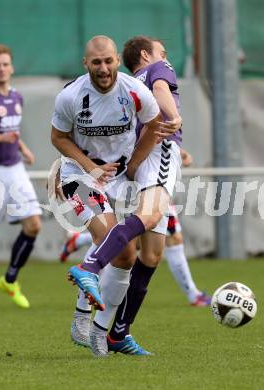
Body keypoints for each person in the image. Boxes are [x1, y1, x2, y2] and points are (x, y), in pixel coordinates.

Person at [51, 35, 177, 356]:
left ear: (117, 61)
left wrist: (134, 163)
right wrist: (89, 166)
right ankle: (81, 315)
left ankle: (99, 329)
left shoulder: (135, 92)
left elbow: (152, 124)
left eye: (108, 61)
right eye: (96, 62)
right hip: (80, 178)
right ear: (86, 64)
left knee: (126, 255)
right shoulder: (71, 96)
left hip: (117, 179)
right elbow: (58, 137)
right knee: (108, 237)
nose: (103, 68)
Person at [60, 148, 211, 307]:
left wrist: (175, 149)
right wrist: (176, 150)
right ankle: (193, 294)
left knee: (141, 240)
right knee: (165, 238)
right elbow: (151, 132)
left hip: (149, 182)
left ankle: (80, 242)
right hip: (142, 183)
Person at [0, 44, 42, 310]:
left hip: (15, 168)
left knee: (34, 225)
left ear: (12, 67)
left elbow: (11, 130)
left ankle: (10, 279)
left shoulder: (16, 96)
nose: (1, 69)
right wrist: (0, 138)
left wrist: (23, 147)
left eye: (5, 64)